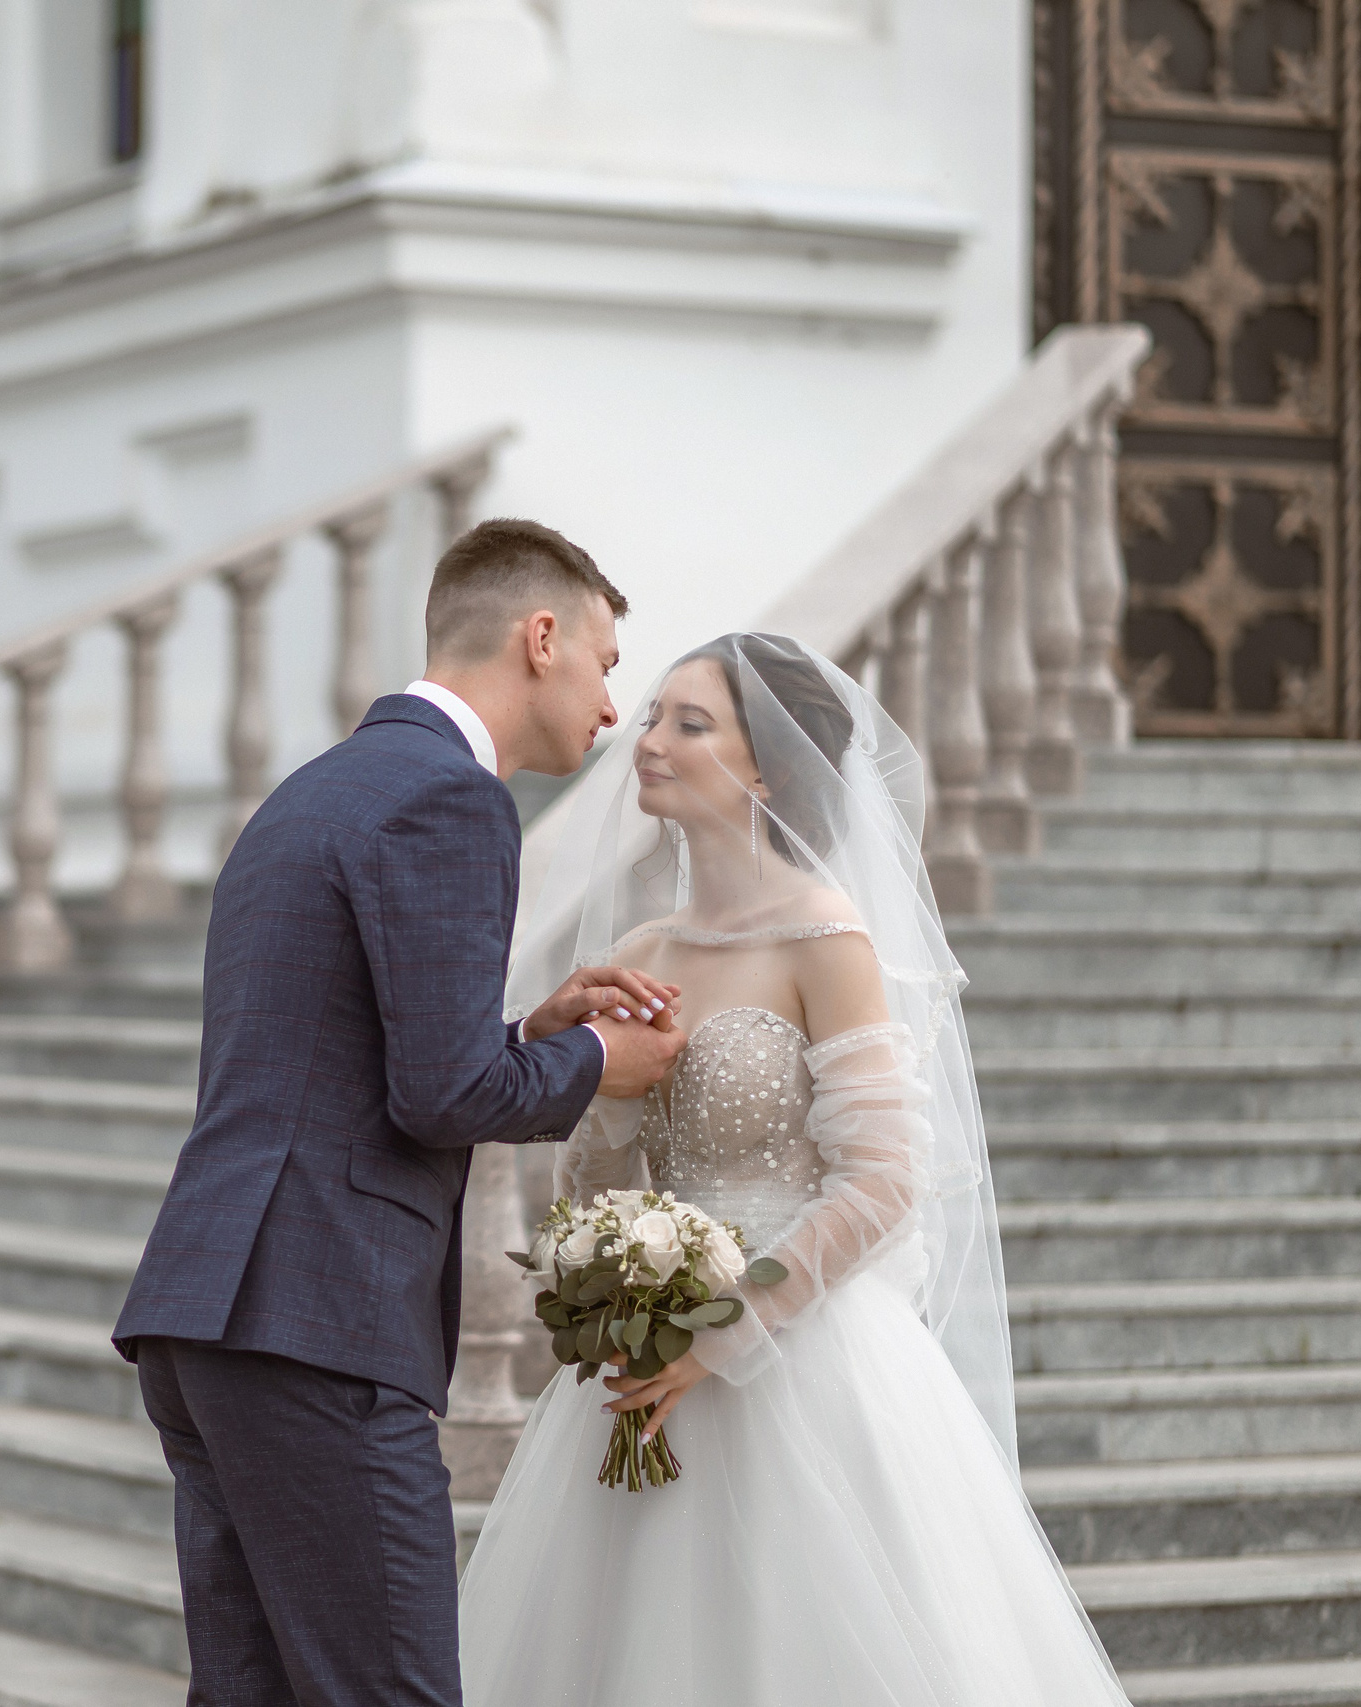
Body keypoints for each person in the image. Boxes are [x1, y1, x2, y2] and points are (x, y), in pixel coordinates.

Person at [456, 632, 1131, 1706]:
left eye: (690, 722)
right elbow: (594, 1187)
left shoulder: (827, 938)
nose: (651, 742)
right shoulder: (638, 952)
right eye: (651, 718)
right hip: (644, 1373)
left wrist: (719, 1332)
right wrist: (617, 1120)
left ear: (764, 764)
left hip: (801, 1358)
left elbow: (880, 1180)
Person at [112, 518, 687, 1707]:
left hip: (211, 1311)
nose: (611, 706)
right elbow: (441, 1099)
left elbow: (348, 1054)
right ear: (541, 640)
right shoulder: (451, 803)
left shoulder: (317, 789)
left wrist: (529, 1032)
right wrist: (595, 1062)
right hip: (316, 1320)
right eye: (606, 662)